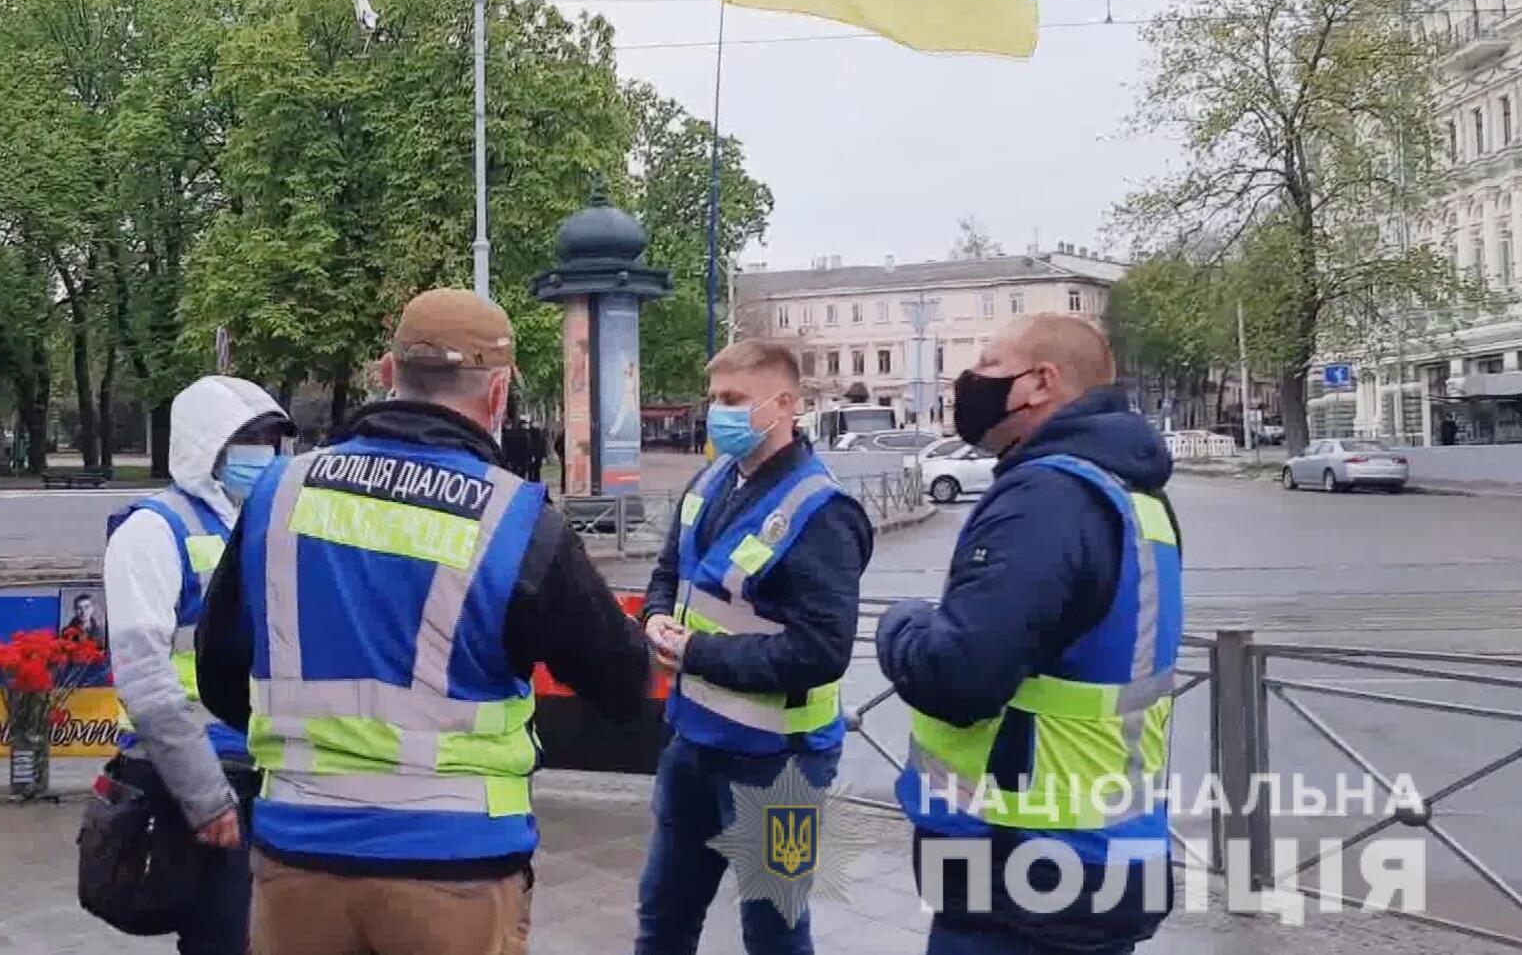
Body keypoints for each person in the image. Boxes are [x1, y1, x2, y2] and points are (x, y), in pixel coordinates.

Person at [196, 288, 651, 955]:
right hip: (453, 866)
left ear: (387, 373)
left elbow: (218, 672)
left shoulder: (279, 493)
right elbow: (621, 681)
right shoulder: (515, 520)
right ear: (498, 393)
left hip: (298, 854)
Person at [876, 314, 1184, 955]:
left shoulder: (1046, 496)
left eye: (989, 365)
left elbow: (959, 676)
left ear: (1040, 382)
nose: (969, 380)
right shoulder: (1132, 494)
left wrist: (899, 624)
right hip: (1102, 854)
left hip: (1022, 872)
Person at [634, 339, 872, 955]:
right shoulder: (711, 479)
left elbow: (821, 651)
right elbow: (670, 572)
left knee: (774, 935)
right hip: (693, 743)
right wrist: (655, 617)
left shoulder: (822, 511)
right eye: (715, 398)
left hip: (782, 763)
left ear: (784, 404)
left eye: (735, 400)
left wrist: (696, 653)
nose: (719, 413)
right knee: (663, 918)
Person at [103, 375, 294, 955]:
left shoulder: (267, 524)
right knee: (224, 939)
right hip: (198, 773)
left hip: (269, 768)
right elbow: (144, 678)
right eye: (248, 440)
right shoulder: (152, 531)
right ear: (205, 445)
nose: (263, 453)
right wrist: (204, 795)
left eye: (271, 440)